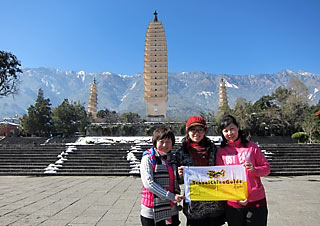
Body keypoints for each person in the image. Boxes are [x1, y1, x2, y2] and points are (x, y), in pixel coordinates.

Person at [216, 115, 270, 226]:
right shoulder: (221, 152)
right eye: (225, 130)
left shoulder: (252, 147)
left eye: (232, 129)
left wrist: (255, 170)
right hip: (234, 204)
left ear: (238, 128)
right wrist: (236, 197)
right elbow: (221, 178)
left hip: (256, 201)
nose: (229, 133)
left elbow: (267, 169)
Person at [174, 116, 226, 226]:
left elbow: (221, 171)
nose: (196, 133)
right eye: (193, 130)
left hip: (214, 203)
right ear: (188, 131)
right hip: (194, 205)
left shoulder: (213, 149)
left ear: (205, 131)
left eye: (200, 130)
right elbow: (178, 180)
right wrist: (180, 175)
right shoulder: (182, 153)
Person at [140, 127, 185, 226]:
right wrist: (171, 196)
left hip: (172, 210)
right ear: (155, 142)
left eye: (168, 141)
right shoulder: (148, 158)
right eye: (161, 141)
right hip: (152, 212)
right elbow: (149, 184)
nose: (165, 145)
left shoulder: (172, 159)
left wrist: (181, 174)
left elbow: (177, 181)